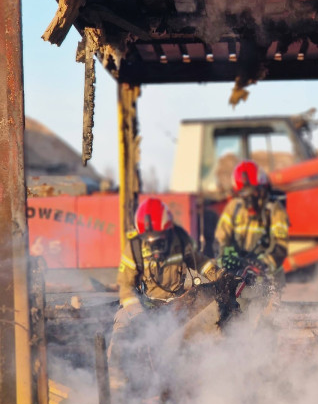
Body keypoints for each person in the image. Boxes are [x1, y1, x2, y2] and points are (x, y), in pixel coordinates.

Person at [109, 197, 222, 378]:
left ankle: (207, 372)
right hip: (147, 305)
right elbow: (125, 287)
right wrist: (138, 315)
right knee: (122, 321)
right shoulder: (135, 247)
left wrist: (221, 277)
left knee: (208, 321)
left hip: (178, 302)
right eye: (149, 240)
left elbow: (201, 263)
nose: (154, 244)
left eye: (159, 239)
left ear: (168, 230)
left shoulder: (180, 239)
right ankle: (116, 376)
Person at [214, 160, 289, 317]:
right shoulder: (233, 208)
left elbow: (280, 248)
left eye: (252, 193)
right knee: (236, 323)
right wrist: (226, 255)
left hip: (268, 281)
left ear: (261, 188)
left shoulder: (274, 210)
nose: (248, 200)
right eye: (243, 195)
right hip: (239, 279)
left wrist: (262, 263)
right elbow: (220, 240)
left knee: (265, 326)